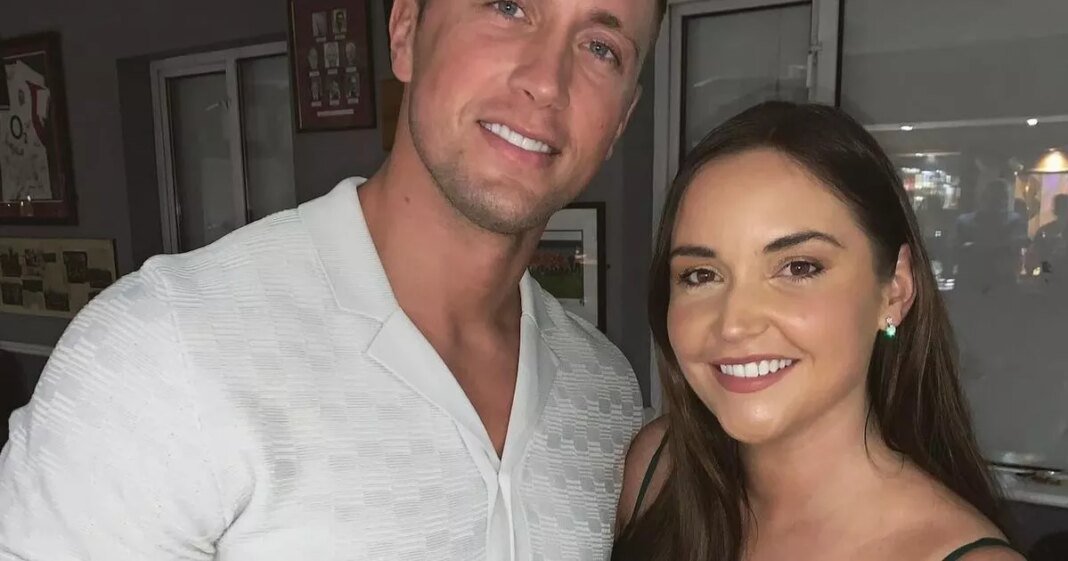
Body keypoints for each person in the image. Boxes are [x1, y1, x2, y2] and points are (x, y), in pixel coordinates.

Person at [0, 0, 665, 558]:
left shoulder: (605, 391)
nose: (546, 81)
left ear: (621, 122)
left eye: (601, 48)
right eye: (508, 7)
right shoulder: (160, 350)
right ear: (405, 31)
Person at [613, 102, 1023, 561]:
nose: (734, 323)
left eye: (798, 267)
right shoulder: (656, 473)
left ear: (895, 289)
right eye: (701, 275)